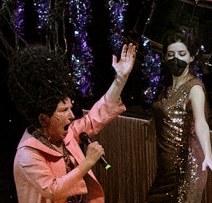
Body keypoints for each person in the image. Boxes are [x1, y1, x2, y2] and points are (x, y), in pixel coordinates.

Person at [11, 43, 135, 203]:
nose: (71, 115)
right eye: (64, 110)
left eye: (70, 108)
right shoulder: (27, 154)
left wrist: (120, 79)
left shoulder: (66, 135)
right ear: (43, 119)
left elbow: (96, 117)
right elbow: (53, 190)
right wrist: (88, 162)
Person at [150, 31, 212, 202]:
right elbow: (166, 111)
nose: (176, 59)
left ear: (191, 58)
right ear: (165, 57)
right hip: (166, 170)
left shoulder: (194, 88)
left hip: (188, 167)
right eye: (171, 54)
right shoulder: (166, 87)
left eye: (182, 54)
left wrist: (208, 154)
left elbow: (201, 122)